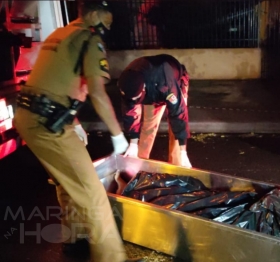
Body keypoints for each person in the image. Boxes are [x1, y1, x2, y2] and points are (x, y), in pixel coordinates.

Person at [13, 1, 143, 261]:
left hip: (30, 117)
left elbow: (56, 81)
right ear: (94, 14)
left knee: (66, 182)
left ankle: (74, 240)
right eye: (106, 22)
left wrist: (75, 124)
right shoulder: (89, 40)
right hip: (47, 124)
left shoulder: (60, 34)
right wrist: (118, 136)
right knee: (94, 195)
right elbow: (96, 91)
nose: (107, 28)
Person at [118, 54, 192, 168]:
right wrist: (133, 143)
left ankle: (178, 167)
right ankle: (139, 165)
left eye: (136, 98)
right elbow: (131, 113)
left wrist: (183, 151)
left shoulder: (166, 84)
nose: (134, 101)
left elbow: (178, 114)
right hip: (152, 91)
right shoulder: (127, 81)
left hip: (174, 82)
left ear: (143, 89)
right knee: (148, 127)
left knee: (175, 128)